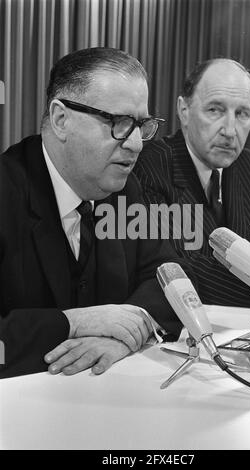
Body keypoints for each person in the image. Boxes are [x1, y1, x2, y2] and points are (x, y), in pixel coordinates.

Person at [0, 47, 194, 379]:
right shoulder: (6, 192)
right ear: (61, 119)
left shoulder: (127, 189)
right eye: (118, 123)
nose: (135, 144)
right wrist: (75, 323)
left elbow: (173, 275)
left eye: (141, 125)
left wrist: (128, 335)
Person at [134, 58, 250, 308]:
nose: (230, 130)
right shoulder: (152, 166)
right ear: (184, 111)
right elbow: (186, 269)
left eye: (242, 113)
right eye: (215, 110)